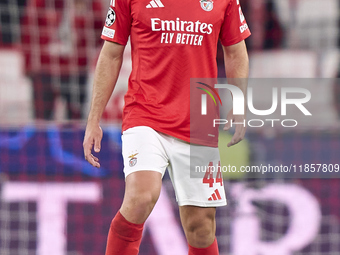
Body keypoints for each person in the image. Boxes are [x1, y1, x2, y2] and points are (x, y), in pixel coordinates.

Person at [83, 0, 250, 254]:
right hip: (145, 114)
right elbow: (111, 52)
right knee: (141, 197)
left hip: (200, 121)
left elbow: (236, 51)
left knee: (202, 227)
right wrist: (94, 118)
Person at [21, 0, 103, 120]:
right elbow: (28, 32)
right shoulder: (40, 3)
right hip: (45, 69)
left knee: (75, 119)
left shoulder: (91, 4)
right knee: (42, 119)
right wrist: (28, 65)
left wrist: (83, 49)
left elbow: (101, 31)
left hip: (76, 70)